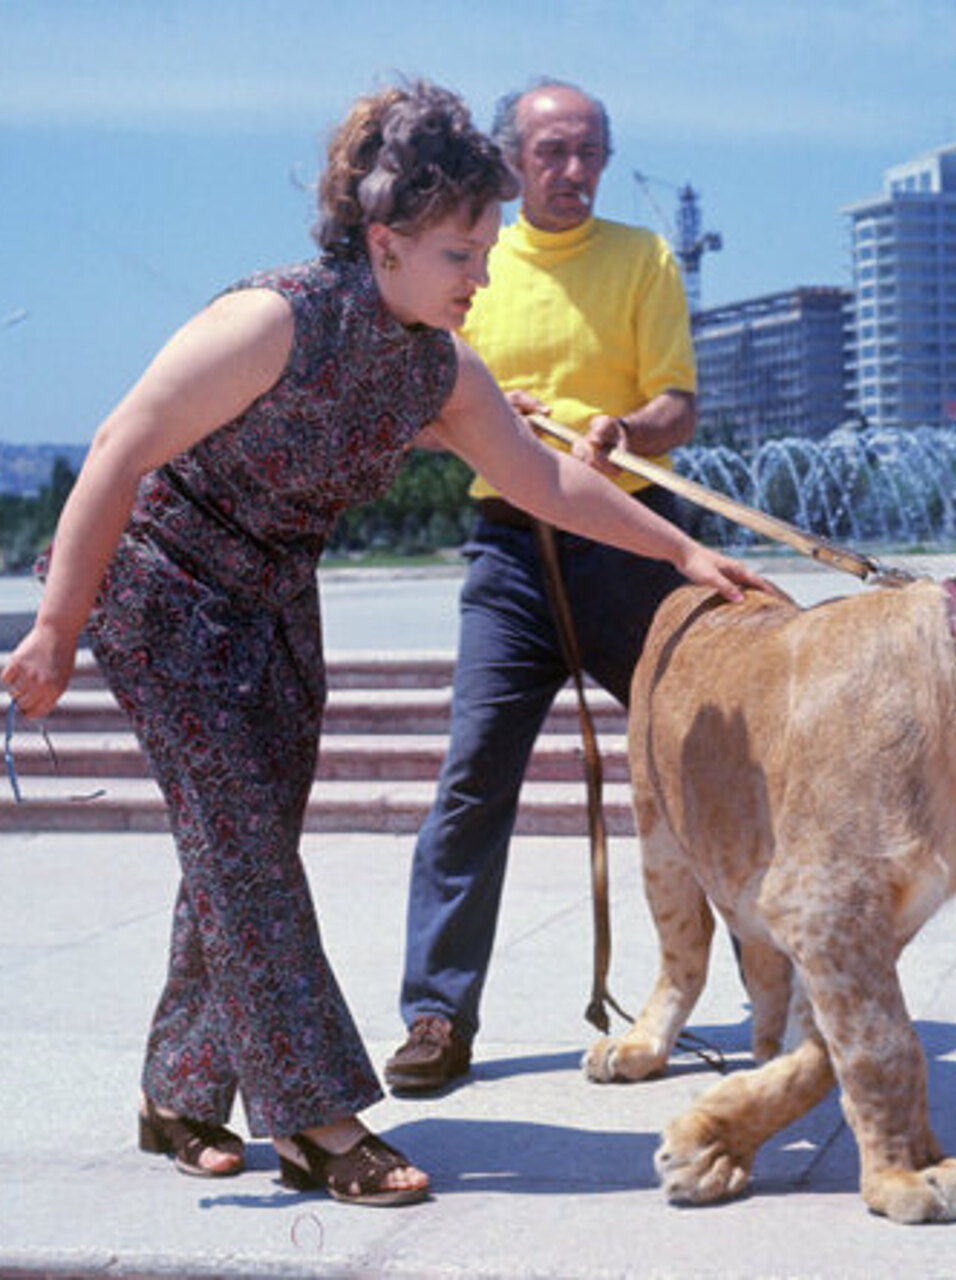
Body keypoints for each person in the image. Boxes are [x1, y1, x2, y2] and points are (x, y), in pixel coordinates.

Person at [1, 80, 765, 1208]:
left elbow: (544, 478)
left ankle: (178, 1091)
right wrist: (55, 627)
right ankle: (316, 1119)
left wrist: (683, 554)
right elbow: (117, 448)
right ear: (384, 239)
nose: (483, 276)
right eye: (461, 252)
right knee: (245, 851)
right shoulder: (274, 320)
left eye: (487, 251)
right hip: (160, 591)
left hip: (273, 594)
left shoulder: (437, 367)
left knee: (238, 848)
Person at [387, 78, 701, 1092]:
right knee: (473, 774)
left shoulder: (640, 255)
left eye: (589, 151)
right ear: (510, 159)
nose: (572, 172)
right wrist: (481, 408)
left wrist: (625, 430)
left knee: (705, 757)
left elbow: (676, 403)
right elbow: (426, 389)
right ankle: (436, 1012)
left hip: (627, 540)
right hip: (510, 551)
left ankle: (773, 981)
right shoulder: (473, 255)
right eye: (551, 151)